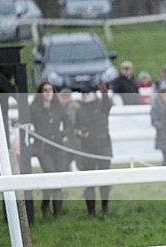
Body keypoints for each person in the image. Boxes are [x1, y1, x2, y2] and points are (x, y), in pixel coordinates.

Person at [29, 82, 72, 218]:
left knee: (59, 177)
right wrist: (35, 137)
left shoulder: (58, 107)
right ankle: (45, 205)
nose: (48, 92)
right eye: (45, 90)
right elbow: (26, 125)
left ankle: (57, 212)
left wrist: (61, 134)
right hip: (43, 148)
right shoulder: (34, 108)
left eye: (50, 90)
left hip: (57, 147)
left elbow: (69, 125)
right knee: (49, 174)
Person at [75, 83, 113, 216]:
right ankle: (91, 211)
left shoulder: (102, 106)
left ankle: (105, 207)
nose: (85, 96)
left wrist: (104, 93)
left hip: (103, 146)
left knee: (105, 180)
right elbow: (75, 127)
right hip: (87, 148)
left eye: (88, 93)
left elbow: (108, 104)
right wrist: (80, 133)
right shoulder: (80, 110)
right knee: (89, 181)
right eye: (83, 94)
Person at [57, 87, 81, 171]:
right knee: (64, 162)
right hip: (71, 140)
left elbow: (71, 123)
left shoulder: (72, 107)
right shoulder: (67, 107)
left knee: (79, 163)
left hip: (75, 140)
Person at [150, 87, 166, 166]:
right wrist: (164, 126)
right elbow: (154, 121)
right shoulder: (156, 106)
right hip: (163, 135)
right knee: (165, 155)